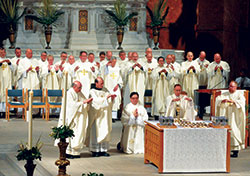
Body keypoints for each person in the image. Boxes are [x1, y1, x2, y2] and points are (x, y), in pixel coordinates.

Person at [56, 81, 93, 159]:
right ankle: (68, 152)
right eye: (79, 87)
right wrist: (83, 103)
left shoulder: (79, 93)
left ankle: (76, 152)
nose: (80, 89)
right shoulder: (69, 93)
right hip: (71, 118)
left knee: (78, 134)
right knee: (71, 134)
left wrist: (86, 103)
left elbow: (84, 101)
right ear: (74, 87)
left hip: (78, 118)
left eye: (81, 87)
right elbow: (71, 106)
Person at [85, 77, 116, 157]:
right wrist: (106, 98)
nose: (102, 85)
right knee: (96, 132)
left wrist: (111, 99)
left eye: (103, 83)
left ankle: (103, 150)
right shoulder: (92, 91)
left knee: (104, 130)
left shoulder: (105, 90)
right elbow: (95, 101)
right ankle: (95, 150)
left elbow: (108, 102)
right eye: (101, 83)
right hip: (96, 115)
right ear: (96, 83)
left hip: (104, 116)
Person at [215, 81, 246, 157]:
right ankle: (225, 150)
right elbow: (218, 99)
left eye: (232, 86)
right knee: (225, 131)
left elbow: (242, 102)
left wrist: (233, 102)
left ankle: (235, 151)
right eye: (229, 86)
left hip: (235, 116)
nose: (230, 88)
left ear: (236, 87)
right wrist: (222, 101)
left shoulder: (239, 94)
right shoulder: (225, 94)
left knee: (234, 132)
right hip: (226, 115)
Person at [101, 57, 123, 122]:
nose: (114, 63)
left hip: (115, 88)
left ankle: (113, 117)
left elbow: (120, 79)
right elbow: (102, 74)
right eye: (113, 61)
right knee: (108, 100)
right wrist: (106, 66)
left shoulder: (117, 69)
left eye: (115, 62)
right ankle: (107, 116)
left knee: (115, 102)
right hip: (108, 87)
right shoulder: (107, 69)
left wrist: (118, 85)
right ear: (110, 61)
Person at [0, 48, 14, 117]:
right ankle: (0, 111)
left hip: (7, 81)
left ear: (5, 53)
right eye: (1, 53)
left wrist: (9, 63)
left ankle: (6, 111)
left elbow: (13, 69)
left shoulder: (9, 60)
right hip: (0, 81)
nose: (2, 54)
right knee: (1, 95)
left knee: (6, 95)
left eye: (3, 52)